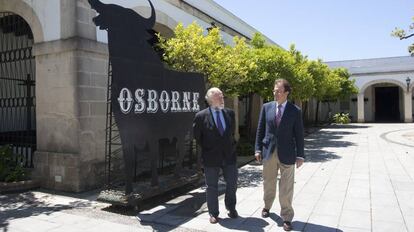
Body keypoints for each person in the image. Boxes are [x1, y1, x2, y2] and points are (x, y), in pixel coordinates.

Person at [254, 78, 304, 231]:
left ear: (286, 93)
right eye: (274, 90)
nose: (275, 93)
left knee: (286, 187)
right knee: (268, 182)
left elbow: (299, 134)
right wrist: (257, 149)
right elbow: (260, 129)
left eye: (279, 91)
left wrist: (300, 155)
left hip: (287, 153)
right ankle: (267, 206)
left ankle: (287, 216)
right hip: (268, 152)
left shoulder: (295, 111)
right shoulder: (266, 107)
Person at [193, 87, 238, 224]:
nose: (222, 98)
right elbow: (197, 137)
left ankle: (231, 207)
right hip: (211, 156)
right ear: (211, 100)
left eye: (222, 96)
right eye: (219, 96)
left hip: (229, 155)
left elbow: (231, 134)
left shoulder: (230, 113)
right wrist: (209, 148)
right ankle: (213, 213)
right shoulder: (201, 116)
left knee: (232, 183)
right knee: (211, 186)